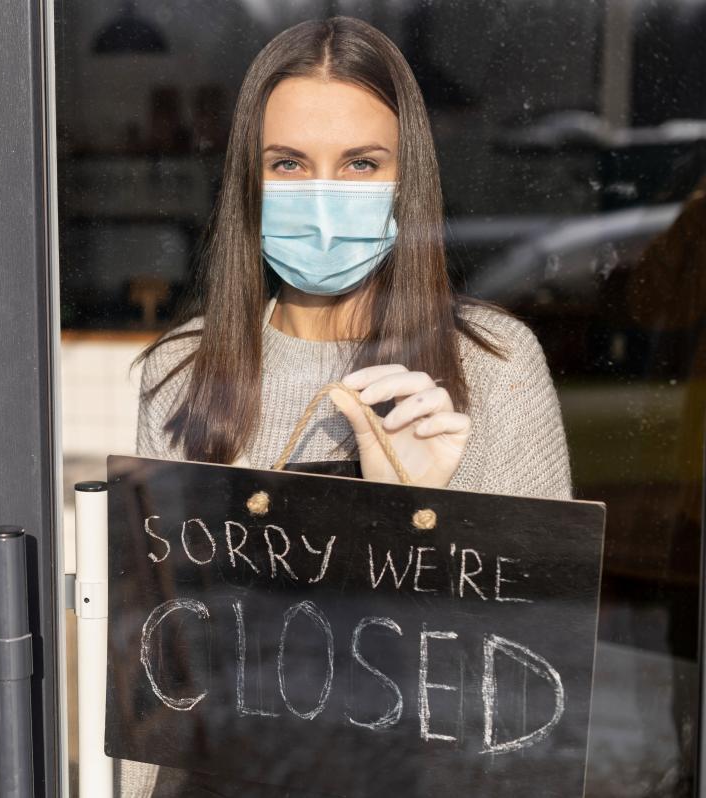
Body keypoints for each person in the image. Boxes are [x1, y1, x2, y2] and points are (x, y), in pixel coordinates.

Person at [128, 16, 571, 797]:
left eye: (361, 164)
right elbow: (163, 665)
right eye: (290, 164)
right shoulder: (181, 372)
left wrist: (428, 508)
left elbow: (535, 676)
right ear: (250, 184)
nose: (324, 198)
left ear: (408, 180)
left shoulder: (493, 368)